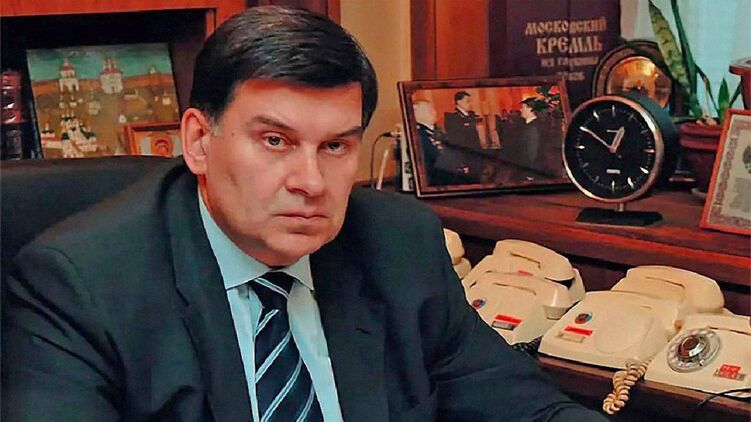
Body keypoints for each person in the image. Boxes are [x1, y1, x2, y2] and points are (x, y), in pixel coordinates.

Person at [2, 6, 606, 421]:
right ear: (198, 141)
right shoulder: (81, 284)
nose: (311, 183)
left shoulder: (399, 243)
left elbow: (528, 408)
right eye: (275, 141)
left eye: (336, 146)